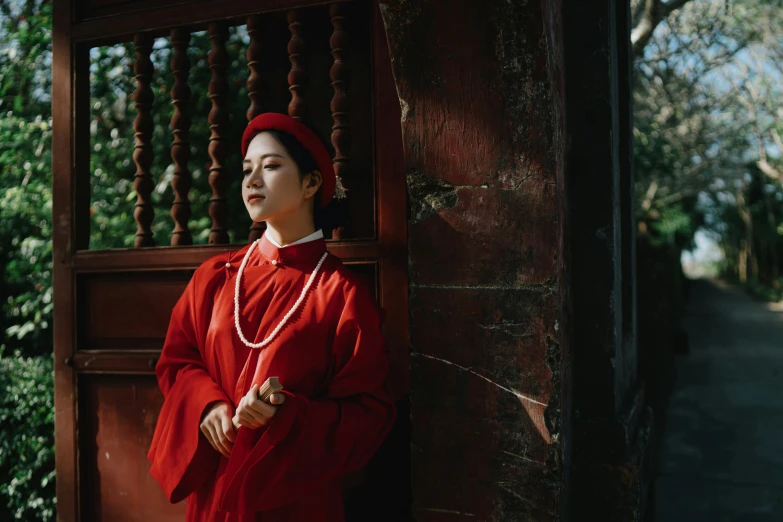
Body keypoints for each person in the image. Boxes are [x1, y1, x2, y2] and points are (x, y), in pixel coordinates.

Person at [147, 112, 396, 521]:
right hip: (216, 495)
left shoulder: (344, 296)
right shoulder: (214, 278)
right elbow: (176, 361)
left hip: (294, 501)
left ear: (312, 183)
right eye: (247, 169)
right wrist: (206, 406)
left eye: (272, 166)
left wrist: (288, 416)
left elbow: (369, 414)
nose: (252, 180)